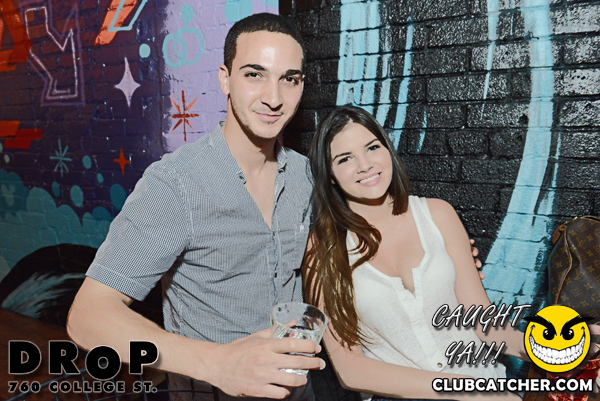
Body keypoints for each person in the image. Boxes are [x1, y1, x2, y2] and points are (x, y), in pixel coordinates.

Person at [67, 13, 323, 401]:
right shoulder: (176, 184)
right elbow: (88, 316)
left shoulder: (305, 176)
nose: (274, 98)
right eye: (254, 74)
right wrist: (218, 364)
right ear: (225, 79)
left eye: (289, 79)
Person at [303, 106, 531, 400]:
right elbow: (351, 369)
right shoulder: (323, 248)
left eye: (372, 148)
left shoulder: (437, 214)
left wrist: (552, 351)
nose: (365, 165)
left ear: (387, 149)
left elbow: (485, 324)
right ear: (331, 175)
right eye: (345, 159)